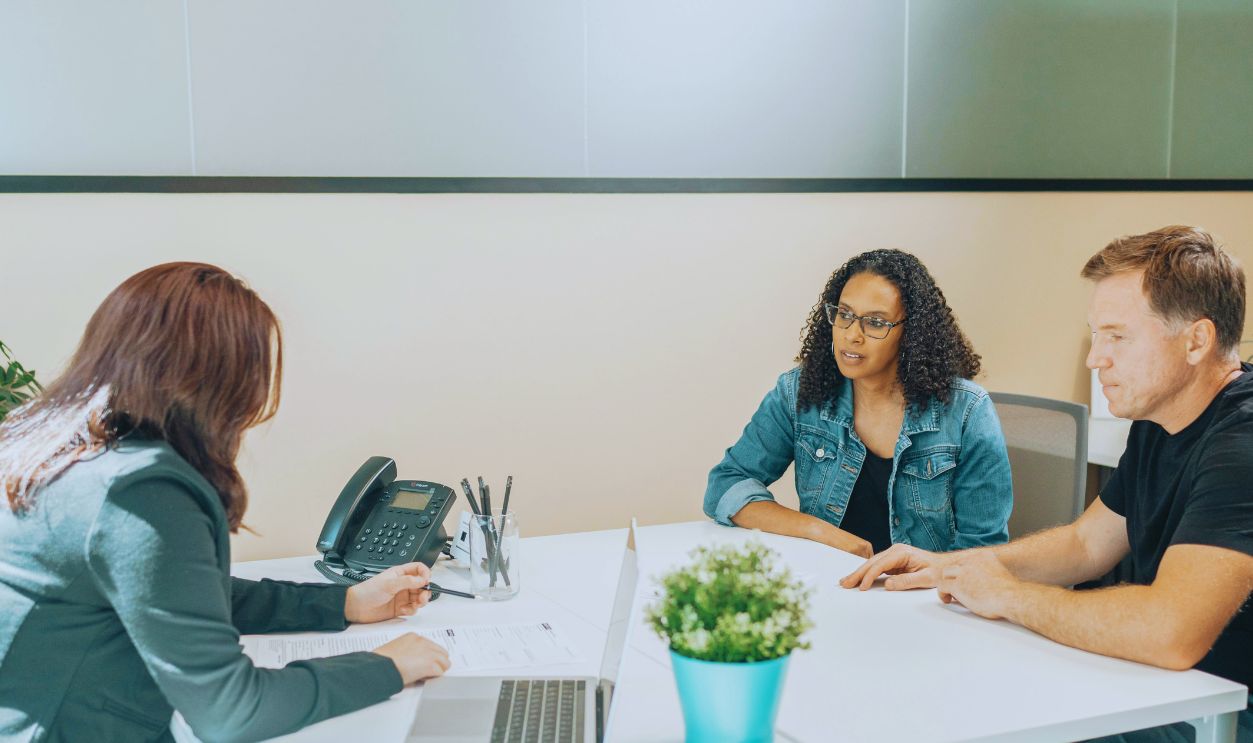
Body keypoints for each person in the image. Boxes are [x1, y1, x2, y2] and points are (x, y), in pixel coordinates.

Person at [0, 263, 451, 742]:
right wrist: (384, 666)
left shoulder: (60, 452)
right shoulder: (140, 490)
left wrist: (342, 602)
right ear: (220, 382)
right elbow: (232, 713)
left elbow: (177, 597)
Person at [841, 226, 1253, 742]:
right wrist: (951, 565)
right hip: (1169, 689)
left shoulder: (1242, 445)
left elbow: (1171, 632)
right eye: (1095, 334)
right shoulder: (1161, 420)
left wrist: (1008, 595)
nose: (1094, 357)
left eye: (1117, 336)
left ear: (1196, 340)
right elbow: (1087, 544)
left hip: (1223, 712)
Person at [704, 249, 1012, 558]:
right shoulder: (799, 391)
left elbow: (984, 550)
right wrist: (818, 531)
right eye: (845, 314)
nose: (852, 335)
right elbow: (726, 485)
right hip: (831, 583)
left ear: (911, 334)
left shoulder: (967, 411)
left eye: (875, 323)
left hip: (923, 595)